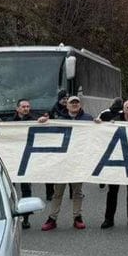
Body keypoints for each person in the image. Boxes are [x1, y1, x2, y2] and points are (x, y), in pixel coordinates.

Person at [39, 95, 92, 231]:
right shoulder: (58, 119)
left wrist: (100, 123)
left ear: (80, 105)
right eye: (71, 103)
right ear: (67, 105)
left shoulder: (88, 119)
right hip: (62, 161)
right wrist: (43, 122)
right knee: (58, 192)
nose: (74, 105)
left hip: (77, 160)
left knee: (77, 192)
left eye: (76, 102)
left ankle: (77, 217)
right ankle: (52, 218)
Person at [101, 99, 128, 229]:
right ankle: (109, 219)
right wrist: (100, 124)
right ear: (124, 109)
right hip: (117, 161)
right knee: (112, 192)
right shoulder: (114, 121)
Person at [4, 98, 38, 228]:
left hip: (26, 160)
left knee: (26, 189)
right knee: (9, 188)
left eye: (28, 107)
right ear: (17, 108)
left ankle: (26, 217)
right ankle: (10, 214)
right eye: (23, 107)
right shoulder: (9, 122)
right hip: (12, 159)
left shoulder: (35, 121)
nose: (26, 109)